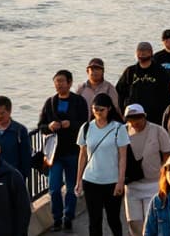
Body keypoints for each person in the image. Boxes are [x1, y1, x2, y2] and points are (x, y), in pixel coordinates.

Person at [37, 70, 88, 232]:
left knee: (72, 186)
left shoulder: (79, 101)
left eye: (61, 81)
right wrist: (49, 127)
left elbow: (84, 124)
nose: (59, 84)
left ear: (70, 82)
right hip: (54, 153)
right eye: (56, 81)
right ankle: (57, 218)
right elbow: (41, 126)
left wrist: (70, 124)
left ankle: (69, 217)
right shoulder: (50, 102)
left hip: (73, 151)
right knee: (54, 187)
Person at [75, 93, 130, 236]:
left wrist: (120, 181)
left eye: (101, 109)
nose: (98, 112)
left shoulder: (119, 128)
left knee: (113, 219)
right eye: (95, 109)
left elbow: (123, 157)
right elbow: (82, 155)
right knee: (94, 220)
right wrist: (78, 180)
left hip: (112, 181)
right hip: (91, 180)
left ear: (109, 109)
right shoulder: (86, 128)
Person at [123, 104, 170, 236]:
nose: (135, 122)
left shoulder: (158, 131)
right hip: (131, 186)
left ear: (144, 116)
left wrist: (164, 177)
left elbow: (167, 155)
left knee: (151, 223)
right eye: (131, 119)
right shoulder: (122, 132)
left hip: (153, 185)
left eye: (138, 118)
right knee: (134, 224)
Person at [116, 43, 170, 124]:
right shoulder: (130, 71)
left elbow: (169, 94)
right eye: (139, 51)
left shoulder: (161, 72)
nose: (142, 54)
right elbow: (119, 93)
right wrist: (123, 111)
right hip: (133, 117)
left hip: (155, 118)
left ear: (151, 53)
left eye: (145, 51)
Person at [0, 96, 32, 182]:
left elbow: (26, 155)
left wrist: (23, 175)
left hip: (13, 176)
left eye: (1, 113)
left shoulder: (20, 130)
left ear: (9, 112)